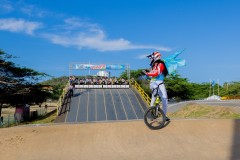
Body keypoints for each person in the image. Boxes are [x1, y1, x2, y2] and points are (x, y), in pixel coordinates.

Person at [143, 51, 170, 121]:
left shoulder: (157, 64)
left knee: (155, 98)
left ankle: (154, 115)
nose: (150, 59)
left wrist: (147, 73)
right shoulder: (157, 64)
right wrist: (147, 74)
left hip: (155, 83)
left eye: (151, 58)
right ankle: (163, 115)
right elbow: (155, 74)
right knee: (164, 98)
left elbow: (155, 73)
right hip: (157, 83)